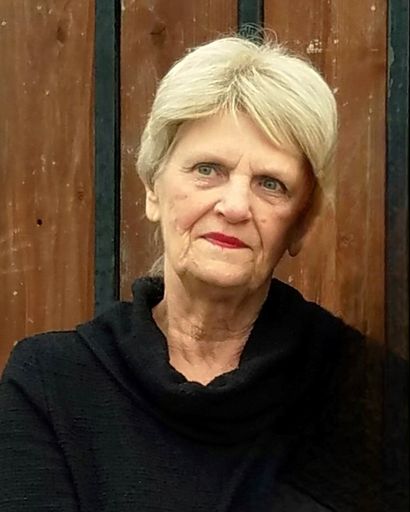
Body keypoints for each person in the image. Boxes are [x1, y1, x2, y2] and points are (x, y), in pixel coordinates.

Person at [0, 36, 383, 511]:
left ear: (301, 224)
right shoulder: (52, 385)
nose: (235, 206)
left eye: (270, 183)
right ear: (153, 189)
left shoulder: (364, 394)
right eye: (207, 169)